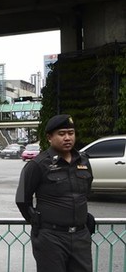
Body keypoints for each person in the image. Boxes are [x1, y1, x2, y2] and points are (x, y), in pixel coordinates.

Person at [15, 114, 94, 272]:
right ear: (50, 137)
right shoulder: (38, 164)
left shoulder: (83, 161)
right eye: (61, 133)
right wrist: (37, 222)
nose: (67, 138)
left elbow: (85, 192)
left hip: (80, 237)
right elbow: (22, 199)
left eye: (71, 133)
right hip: (51, 239)